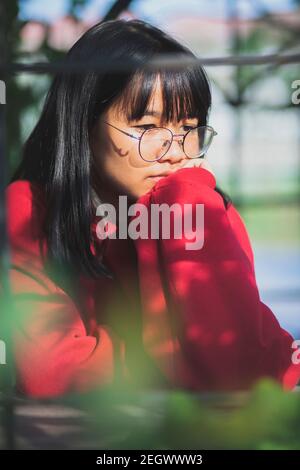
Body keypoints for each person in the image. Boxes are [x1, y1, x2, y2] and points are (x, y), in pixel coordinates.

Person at [5, 19, 300, 398]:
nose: (176, 152)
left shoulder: (200, 205)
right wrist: (182, 358)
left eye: (189, 129)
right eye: (147, 128)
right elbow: (52, 371)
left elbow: (232, 360)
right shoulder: (30, 212)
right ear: (83, 124)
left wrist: (185, 203)